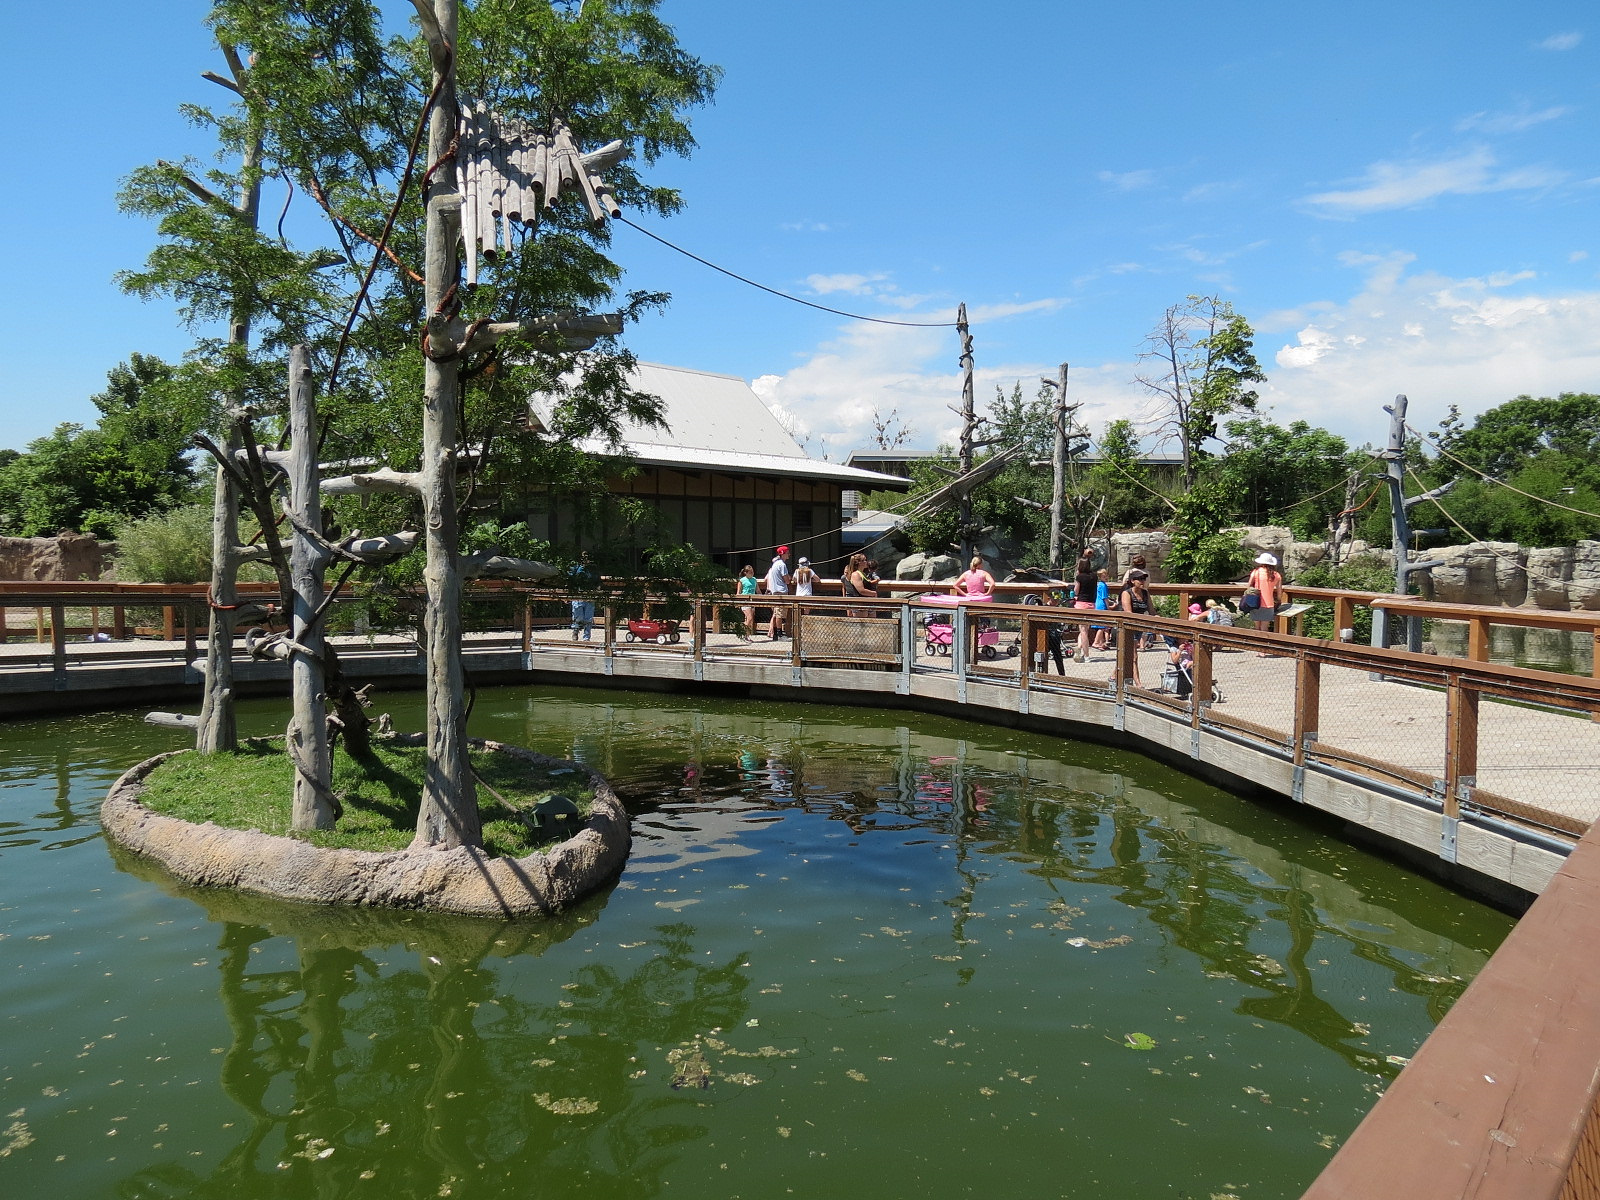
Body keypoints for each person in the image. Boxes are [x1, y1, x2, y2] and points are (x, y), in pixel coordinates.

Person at [1119, 568, 1152, 688]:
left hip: (1138, 628)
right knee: (1133, 656)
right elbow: (1128, 613)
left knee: (1126, 656)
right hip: (1126, 628)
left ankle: (1113, 677)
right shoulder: (1126, 593)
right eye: (1140, 579)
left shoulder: (1145, 594)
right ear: (1132, 581)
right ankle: (1138, 684)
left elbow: (1152, 611)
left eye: (1144, 578)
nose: (1142, 581)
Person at [1246, 552, 1286, 645]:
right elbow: (1279, 591)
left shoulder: (1256, 572)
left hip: (1255, 602)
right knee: (1264, 628)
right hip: (1269, 604)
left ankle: (1256, 646)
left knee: (1257, 627)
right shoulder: (1276, 575)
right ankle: (1263, 649)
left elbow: (1248, 586)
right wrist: (1279, 600)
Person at [1071, 551, 1097, 662]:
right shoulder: (1094, 576)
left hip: (1081, 604)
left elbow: (1076, 591)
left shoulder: (1080, 577)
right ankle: (1079, 649)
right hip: (1091, 604)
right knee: (1084, 629)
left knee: (1083, 631)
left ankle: (1086, 656)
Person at [764, 546, 791, 638]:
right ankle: (779, 634)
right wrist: (789, 578)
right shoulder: (782, 565)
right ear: (783, 553)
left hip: (775, 591)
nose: (789, 554)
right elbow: (787, 580)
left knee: (776, 613)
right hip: (781, 591)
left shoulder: (774, 564)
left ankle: (775, 633)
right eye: (787, 553)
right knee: (779, 613)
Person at [568, 552, 595, 641]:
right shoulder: (575, 567)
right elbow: (571, 579)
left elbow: (596, 579)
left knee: (588, 617)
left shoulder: (592, 569)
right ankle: (575, 631)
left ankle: (586, 637)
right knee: (577, 615)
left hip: (590, 595)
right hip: (578, 595)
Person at [737, 564, 758, 640]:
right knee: (749, 618)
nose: (752, 573)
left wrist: (763, 597)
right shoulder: (742, 581)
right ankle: (742, 632)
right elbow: (738, 592)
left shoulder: (754, 579)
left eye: (753, 571)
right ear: (746, 572)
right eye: (750, 572)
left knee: (750, 619)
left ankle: (747, 635)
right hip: (745, 601)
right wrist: (738, 602)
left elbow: (757, 590)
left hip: (752, 601)